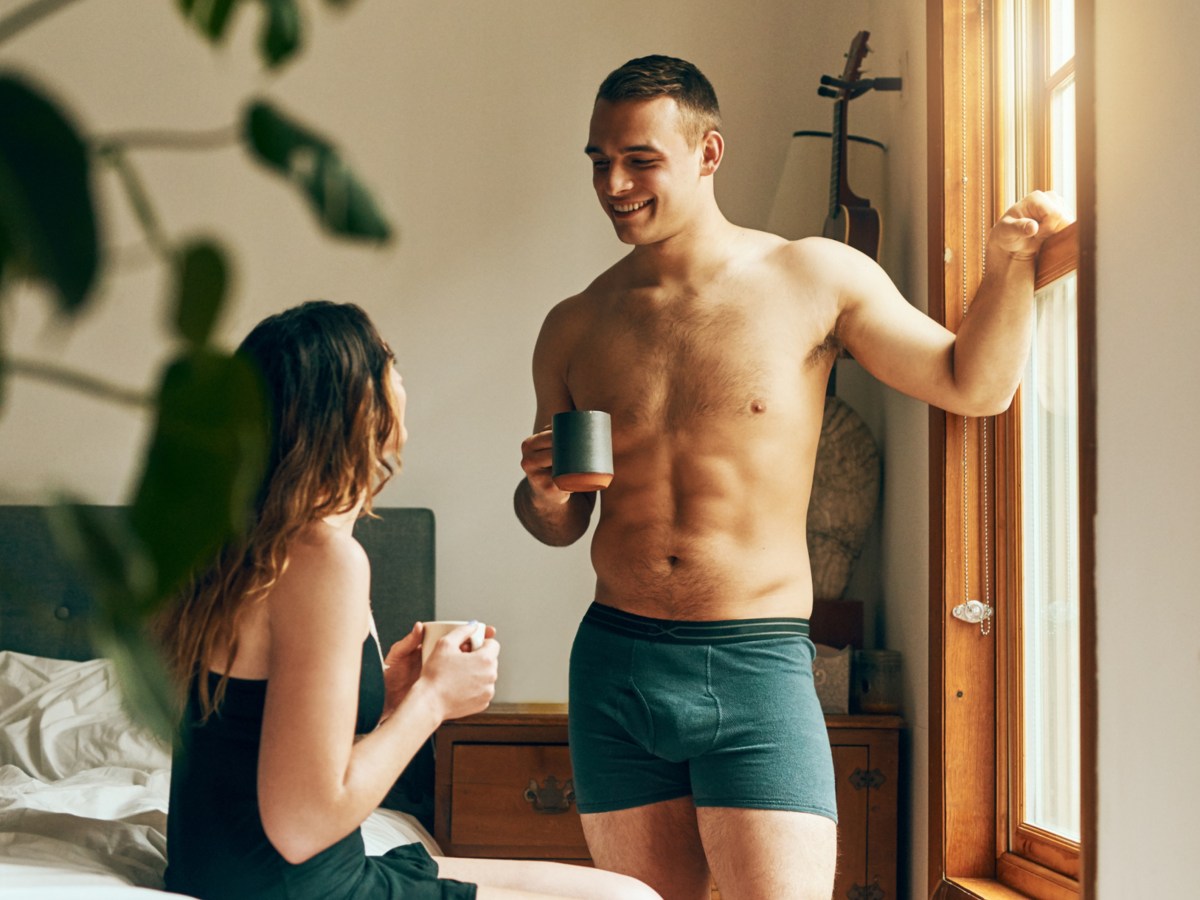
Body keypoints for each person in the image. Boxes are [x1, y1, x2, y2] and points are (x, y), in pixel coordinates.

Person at [514, 56, 1069, 900]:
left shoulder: (813, 278)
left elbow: (973, 384)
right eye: (599, 160)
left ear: (709, 153)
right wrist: (545, 494)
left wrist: (1008, 267)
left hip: (754, 663)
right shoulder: (573, 325)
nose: (614, 183)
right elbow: (559, 526)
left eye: (639, 159)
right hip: (615, 663)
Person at [162, 301, 659, 900]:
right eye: (388, 363)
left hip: (229, 869)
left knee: (621, 891)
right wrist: (432, 699)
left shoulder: (238, 546)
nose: (400, 381)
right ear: (354, 405)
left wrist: (392, 703)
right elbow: (301, 826)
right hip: (296, 883)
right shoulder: (321, 559)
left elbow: (262, 742)